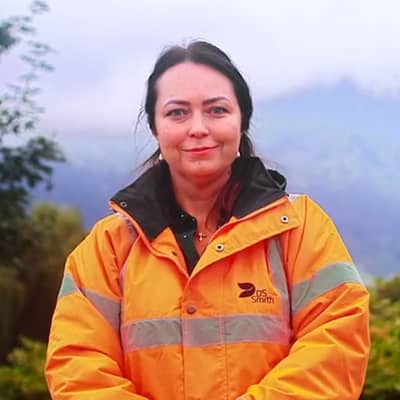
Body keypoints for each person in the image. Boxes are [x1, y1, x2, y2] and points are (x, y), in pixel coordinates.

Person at [45, 41, 370, 400]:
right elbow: (78, 368)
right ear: (154, 127)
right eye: (177, 113)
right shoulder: (108, 247)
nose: (198, 128)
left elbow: (336, 345)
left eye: (217, 110)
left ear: (242, 121)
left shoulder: (299, 228)